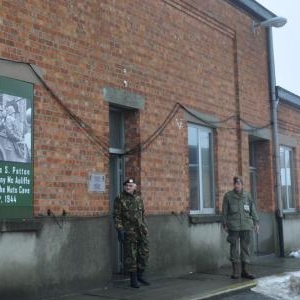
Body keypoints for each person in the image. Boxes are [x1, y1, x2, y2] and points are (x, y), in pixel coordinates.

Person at [113, 178, 150, 288]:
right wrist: (120, 229)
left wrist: (145, 227)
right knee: (131, 255)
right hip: (129, 231)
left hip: (141, 231)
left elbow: (142, 213)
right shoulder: (120, 198)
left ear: (135, 187)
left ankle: (140, 275)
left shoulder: (139, 198)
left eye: (130, 185)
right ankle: (133, 279)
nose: (128, 187)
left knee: (144, 253)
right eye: (126, 186)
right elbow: (117, 216)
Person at [222, 176, 259, 280]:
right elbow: (224, 211)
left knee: (245, 248)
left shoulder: (247, 196)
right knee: (234, 248)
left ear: (242, 185)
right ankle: (235, 271)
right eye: (235, 184)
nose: (236, 185)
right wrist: (224, 224)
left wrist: (256, 222)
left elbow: (252, 209)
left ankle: (245, 270)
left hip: (246, 226)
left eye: (238, 184)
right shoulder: (228, 196)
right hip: (233, 227)